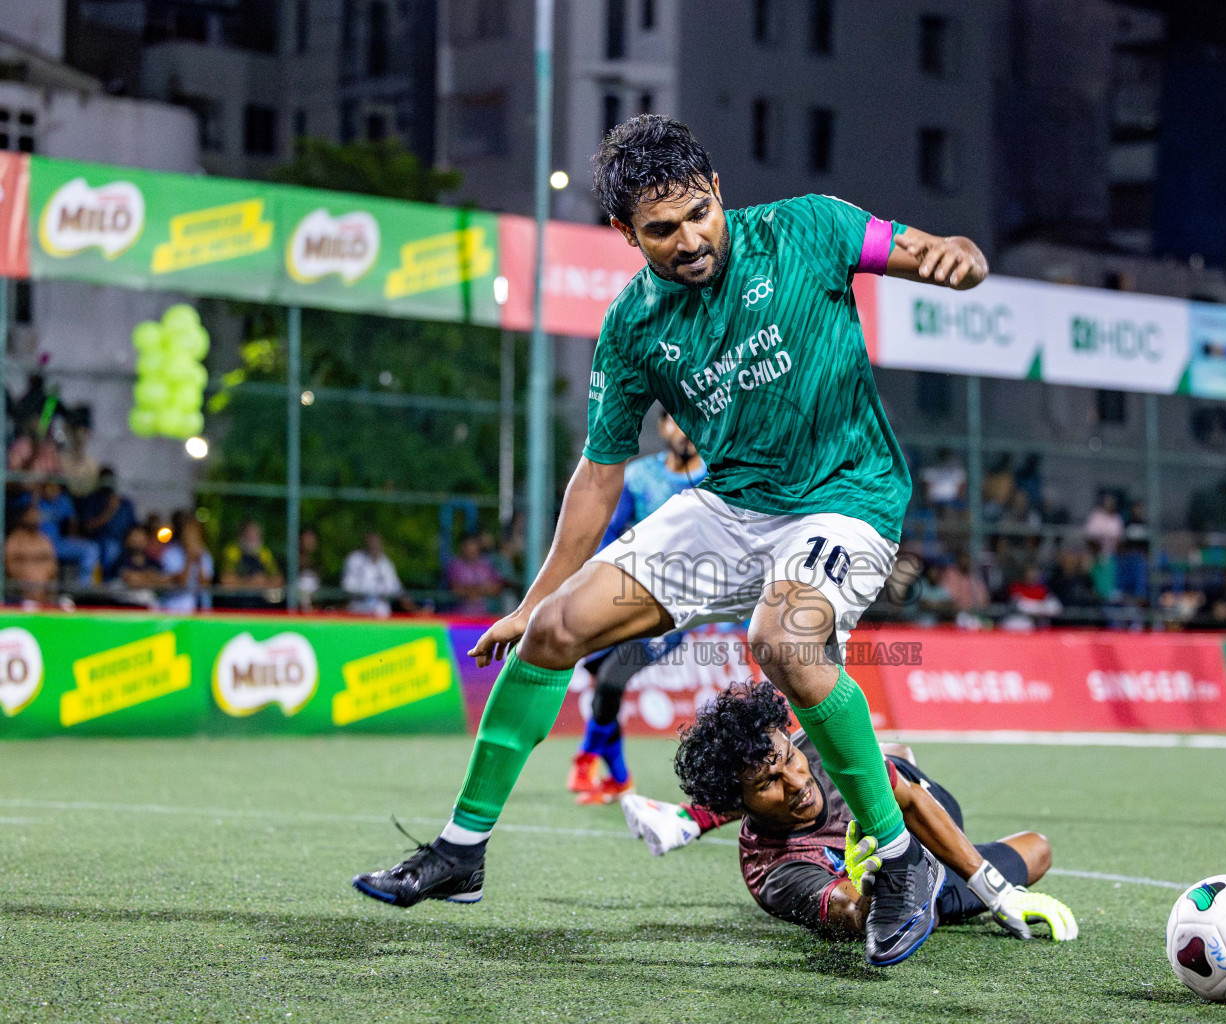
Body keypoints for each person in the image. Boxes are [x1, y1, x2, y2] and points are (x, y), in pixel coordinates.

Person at [351, 113, 989, 968]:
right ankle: (461, 851)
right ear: (625, 233)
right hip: (729, 509)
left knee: (783, 639)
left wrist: (959, 255)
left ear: (718, 191)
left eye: (698, 213)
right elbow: (599, 474)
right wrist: (535, 598)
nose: (689, 239)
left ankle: (899, 861)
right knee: (554, 633)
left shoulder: (808, 226)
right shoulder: (631, 329)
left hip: (850, 498)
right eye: (661, 229)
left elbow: (927, 252)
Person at [621, 682, 1077, 947]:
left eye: (788, 760)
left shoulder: (817, 750)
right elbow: (854, 913)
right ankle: (695, 816)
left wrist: (996, 894)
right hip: (926, 879)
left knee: (889, 756)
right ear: (738, 803)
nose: (797, 783)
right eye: (768, 784)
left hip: (924, 804)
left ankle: (689, 819)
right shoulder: (774, 873)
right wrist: (877, 886)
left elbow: (913, 801)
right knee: (1035, 850)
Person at [570, 410, 707, 806]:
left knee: (613, 679)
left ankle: (586, 759)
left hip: (676, 613)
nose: (684, 429)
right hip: (630, 600)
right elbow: (610, 534)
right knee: (601, 679)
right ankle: (619, 780)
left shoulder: (719, 479)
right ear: (662, 427)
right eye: (675, 420)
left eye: (691, 419)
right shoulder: (640, 476)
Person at [20, 482, 98, 586]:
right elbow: (25, 520)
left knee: (91, 548)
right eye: (48, 487)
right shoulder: (32, 498)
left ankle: (84, 588)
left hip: (56, 544)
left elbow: (72, 520)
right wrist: (35, 499)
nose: (52, 491)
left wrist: (73, 537)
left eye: (55, 487)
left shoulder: (62, 500)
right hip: (35, 545)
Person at [78, 466, 138, 571]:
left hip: (125, 540)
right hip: (100, 540)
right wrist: (110, 510)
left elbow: (134, 526)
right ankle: (108, 582)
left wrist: (134, 537)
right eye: (105, 480)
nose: (108, 483)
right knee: (110, 548)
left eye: (110, 480)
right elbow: (87, 527)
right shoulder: (91, 500)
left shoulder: (125, 503)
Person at [5, 504, 58, 606]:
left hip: (44, 592)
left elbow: (53, 563)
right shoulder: (15, 539)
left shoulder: (43, 539)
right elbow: (10, 564)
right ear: (24, 518)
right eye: (31, 516)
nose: (35, 518)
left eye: (36, 516)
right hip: (22, 591)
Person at [342, 531, 404, 618]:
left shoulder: (386, 563)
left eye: (377, 543)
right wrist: (370, 590)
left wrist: (383, 592)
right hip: (359, 611)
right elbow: (347, 585)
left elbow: (395, 587)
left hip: (382, 614)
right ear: (366, 544)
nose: (374, 546)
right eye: (372, 543)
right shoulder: (355, 559)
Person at [160, 519, 215, 613]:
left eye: (194, 535)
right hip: (176, 609)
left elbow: (205, 583)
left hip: (202, 609)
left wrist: (199, 561)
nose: (191, 538)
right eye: (188, 534)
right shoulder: (170, 553)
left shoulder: (205, 555)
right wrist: (188, 560)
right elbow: (181, 582)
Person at [445, 534, 502, 616]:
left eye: (472, 545)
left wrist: (472, 590)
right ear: (461, 547)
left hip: (485, 616)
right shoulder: (455, 565)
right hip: (459, 616)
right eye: (467, 546)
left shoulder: (486, 564)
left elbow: (497, 587)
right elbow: (455, 589)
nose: (470, 549)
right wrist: (482, 589)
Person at [220, 519, 284, 591]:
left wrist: (264, 581)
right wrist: (250, 582)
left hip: (258, 599)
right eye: (249, 534)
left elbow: (278, 578)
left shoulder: (264, 553)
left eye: (256, 534)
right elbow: (225, 580)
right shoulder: (232, 551)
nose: (252, 537)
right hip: (237, 599)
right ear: (241, 535)